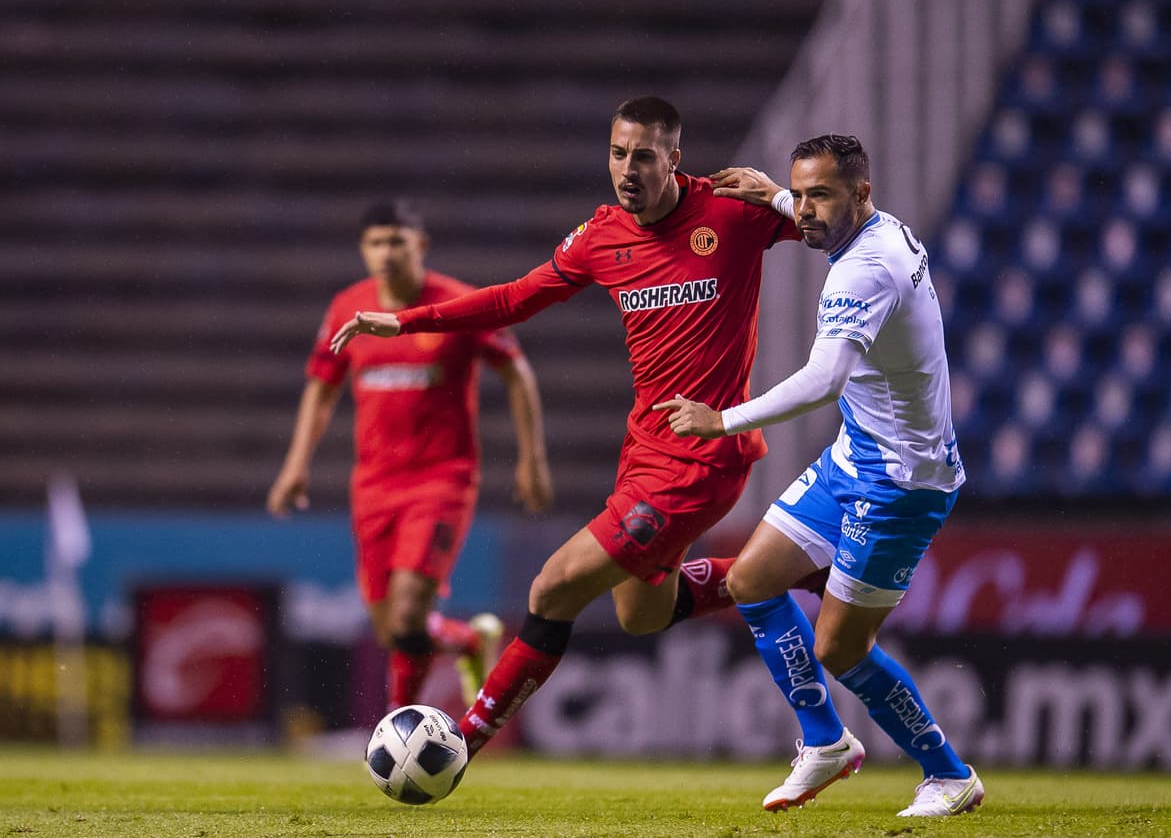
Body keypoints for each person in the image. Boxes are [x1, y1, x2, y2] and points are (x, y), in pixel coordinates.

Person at [329, 96, 806, 758]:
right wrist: (407, 322)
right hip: (643, 452)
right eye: (617, 154)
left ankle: (460, 742)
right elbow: (513, 298)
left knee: (552, 588)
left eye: (644, 156)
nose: (627, 169)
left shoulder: (731, 211)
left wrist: (781, 197)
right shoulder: (602, 236)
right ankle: (796, 565)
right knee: (642, 615)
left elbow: (844, 227)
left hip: (702, 457)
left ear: (674, 158)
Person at [657, 135, 983, 817]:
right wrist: (774, 195)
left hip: (902, 481)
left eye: (819, 196)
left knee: (840, 647)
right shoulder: (879, 228)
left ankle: (949, 775)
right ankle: (825, 741)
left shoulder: (864, 270)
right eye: (800, 195)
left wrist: (722, 421)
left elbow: (824, 379)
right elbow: (816, 211)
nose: (804, 210)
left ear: (861, 194)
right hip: (854, 455)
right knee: (751, 580)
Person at [268, 198, 554, 712]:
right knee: (390, 629)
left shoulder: (457, 303)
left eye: (396, 242)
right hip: (373, 484)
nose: (386, 253)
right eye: (376, 243)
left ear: (420, 245)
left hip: (442, 479)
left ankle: (397, 726)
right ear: (363, 250)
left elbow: (517, 372)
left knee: (405, 615)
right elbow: (322, 386)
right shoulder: (347, 308)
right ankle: (467, 640)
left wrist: (531, 459)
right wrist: (295, 466)